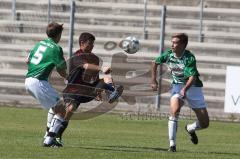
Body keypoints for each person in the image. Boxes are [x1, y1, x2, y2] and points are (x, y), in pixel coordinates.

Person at [55, 32, 124, 144]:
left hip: (88, 89)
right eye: (90, 44)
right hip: (73, 90)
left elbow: (94, 77)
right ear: (81, 43)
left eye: (93, 44)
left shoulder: (94, 59)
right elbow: (86, 66)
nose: (92, 46)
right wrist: (101, 68)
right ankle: (57, 135)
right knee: (71, 109)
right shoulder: (76, 56)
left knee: (106, 79)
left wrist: (98, 91)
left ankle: (112, 93)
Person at [151, 33, 209, 152]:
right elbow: (155, 62)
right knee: (175, 110)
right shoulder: (168, 54)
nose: (172, 45)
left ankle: (190, 128)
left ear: (183, 45)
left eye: (176, 42)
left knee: (205, 123)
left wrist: (185, 89)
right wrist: (153, 80)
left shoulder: (189, 57)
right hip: (177, 86)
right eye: (172, 42)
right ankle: (172, 145)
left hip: (193, 88)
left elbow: (192, 77)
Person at [25, 22, 67, 147]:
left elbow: (27, 60)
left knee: (55, 108)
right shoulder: (56, 48)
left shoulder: (39, 43)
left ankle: (48, 137)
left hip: (28, 81)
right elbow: (61, 69)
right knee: (62, 109)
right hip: (39, 82)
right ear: (59, 35)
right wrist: (67, 77)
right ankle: (49, 139)